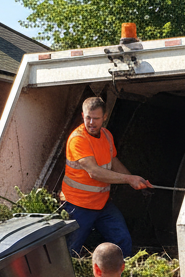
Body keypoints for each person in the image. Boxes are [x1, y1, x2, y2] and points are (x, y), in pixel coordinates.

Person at [61, 95, 151, 256]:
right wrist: (128, 179)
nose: (91, 123)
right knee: (71, 251)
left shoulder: (107, 136)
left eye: (96, 118)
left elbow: (113, 160)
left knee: (122, 240)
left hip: (102, 204)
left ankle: (123, 273)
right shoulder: (78, 140)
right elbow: (94, 172)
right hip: (78, 206)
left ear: (105, 117)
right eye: (88, 118)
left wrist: (134, 180)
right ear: (83, 115)